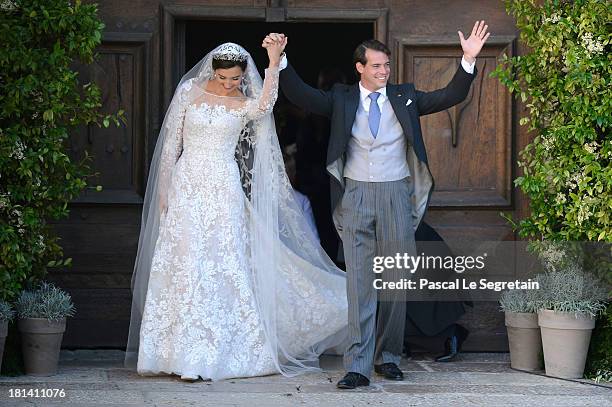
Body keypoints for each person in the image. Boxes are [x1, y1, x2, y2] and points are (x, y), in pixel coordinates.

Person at [266, 20, 490, 389]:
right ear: (360, 67)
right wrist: (281, 61)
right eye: (376, 66)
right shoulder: (341, 97)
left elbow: (449, 96)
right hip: (355, 195)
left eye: (386, 65)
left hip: (395, 195)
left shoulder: (405, 96)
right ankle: (358, 364)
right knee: (360, 284)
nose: (383, 71)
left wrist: (467, 61)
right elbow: (303, 96)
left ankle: (388, 357)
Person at [124, 41, 348, 382]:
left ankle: (212, 355)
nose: (230, 84)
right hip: (187, 184)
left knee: (221, 262)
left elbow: (265, 106)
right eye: (225, 77)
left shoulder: (245, 102)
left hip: (223, 186)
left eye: (237, 78)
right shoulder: (188, 91)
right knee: (183, 262)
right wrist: (163, 192)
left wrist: (273, 63)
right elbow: (171, 144)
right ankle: (174, 352)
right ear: (213, 70)